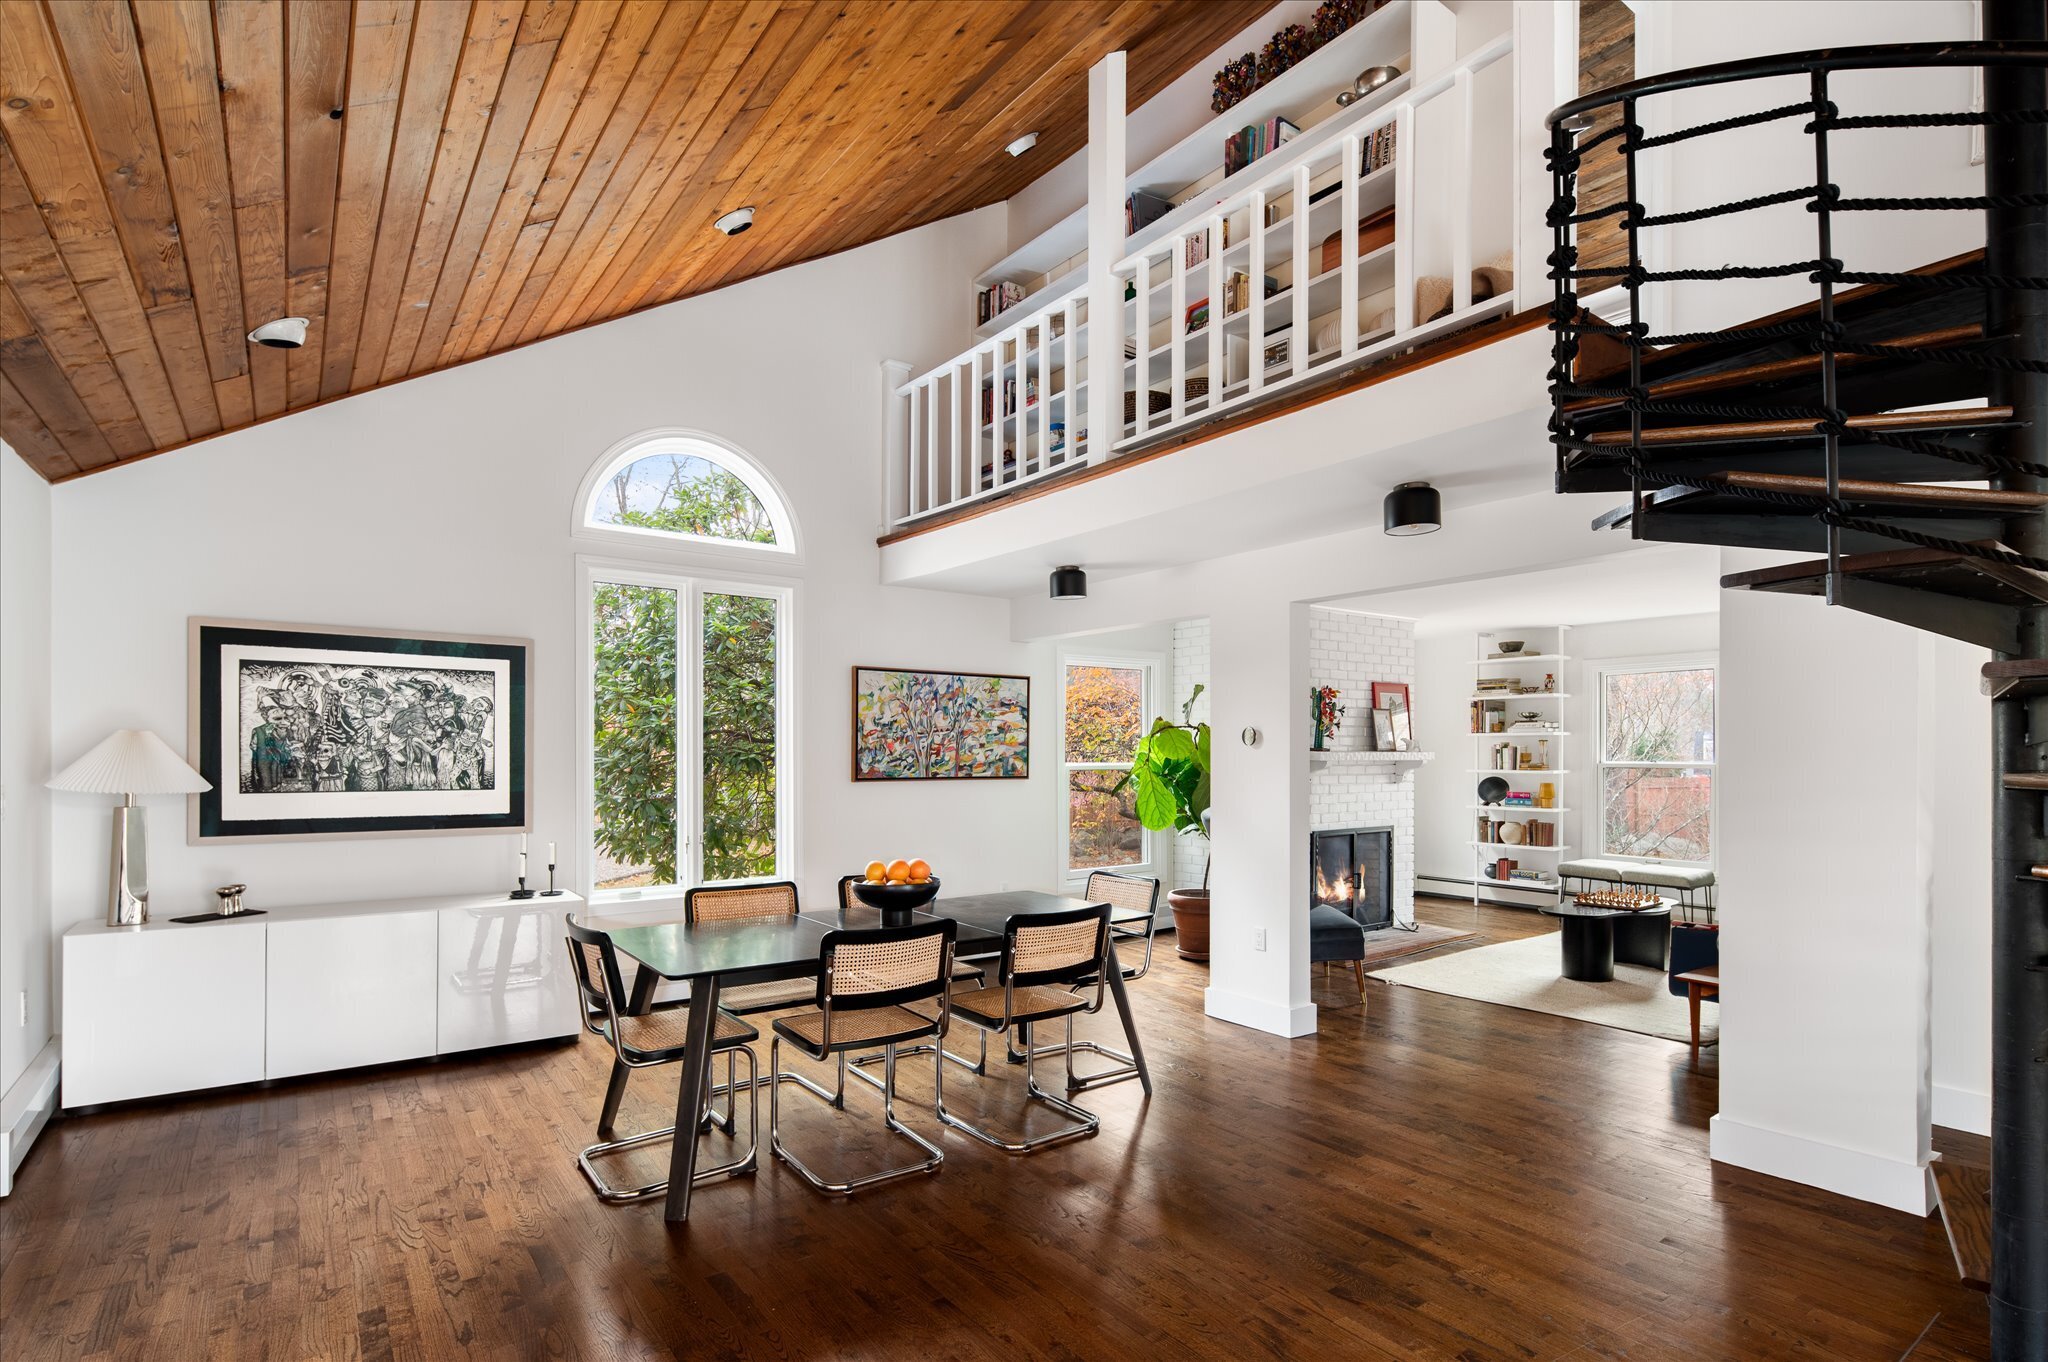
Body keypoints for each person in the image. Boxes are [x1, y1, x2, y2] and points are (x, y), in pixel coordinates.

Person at [249, 706, 294, 792]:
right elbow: (253, 745)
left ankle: (276, 788)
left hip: (276, 757)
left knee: (276, 773)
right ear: (266, 718)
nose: (281, 721)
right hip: (263, 757)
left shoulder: (284, 729)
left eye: (283, 718)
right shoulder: (258, 730)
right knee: (265, 775)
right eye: (277, 718)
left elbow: (287, 742)